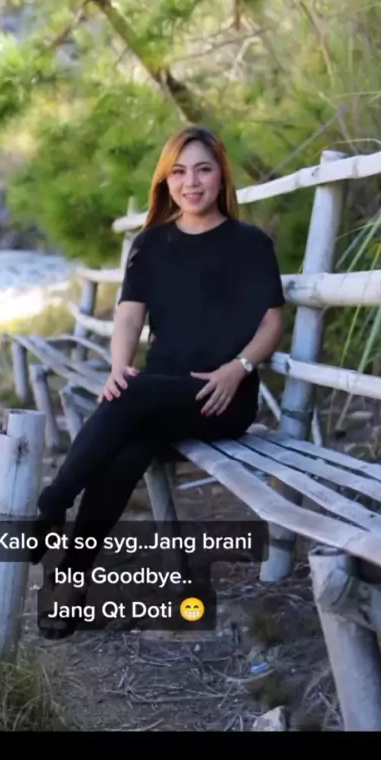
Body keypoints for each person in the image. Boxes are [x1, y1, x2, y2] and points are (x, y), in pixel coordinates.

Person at [33, 124, 285, 638]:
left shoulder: (250, 243)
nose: (191, 182)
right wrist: (118, 365)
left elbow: (272, 322)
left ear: (221, 176)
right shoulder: (150, 243)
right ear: (166, 181)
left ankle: (51, 504)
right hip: (157, 397)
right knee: (126, 450)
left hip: (223, 398)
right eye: (179, 172)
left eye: (203, 170)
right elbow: (129, 315)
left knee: (133, 398)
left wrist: (238, 368)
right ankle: (72, 580)